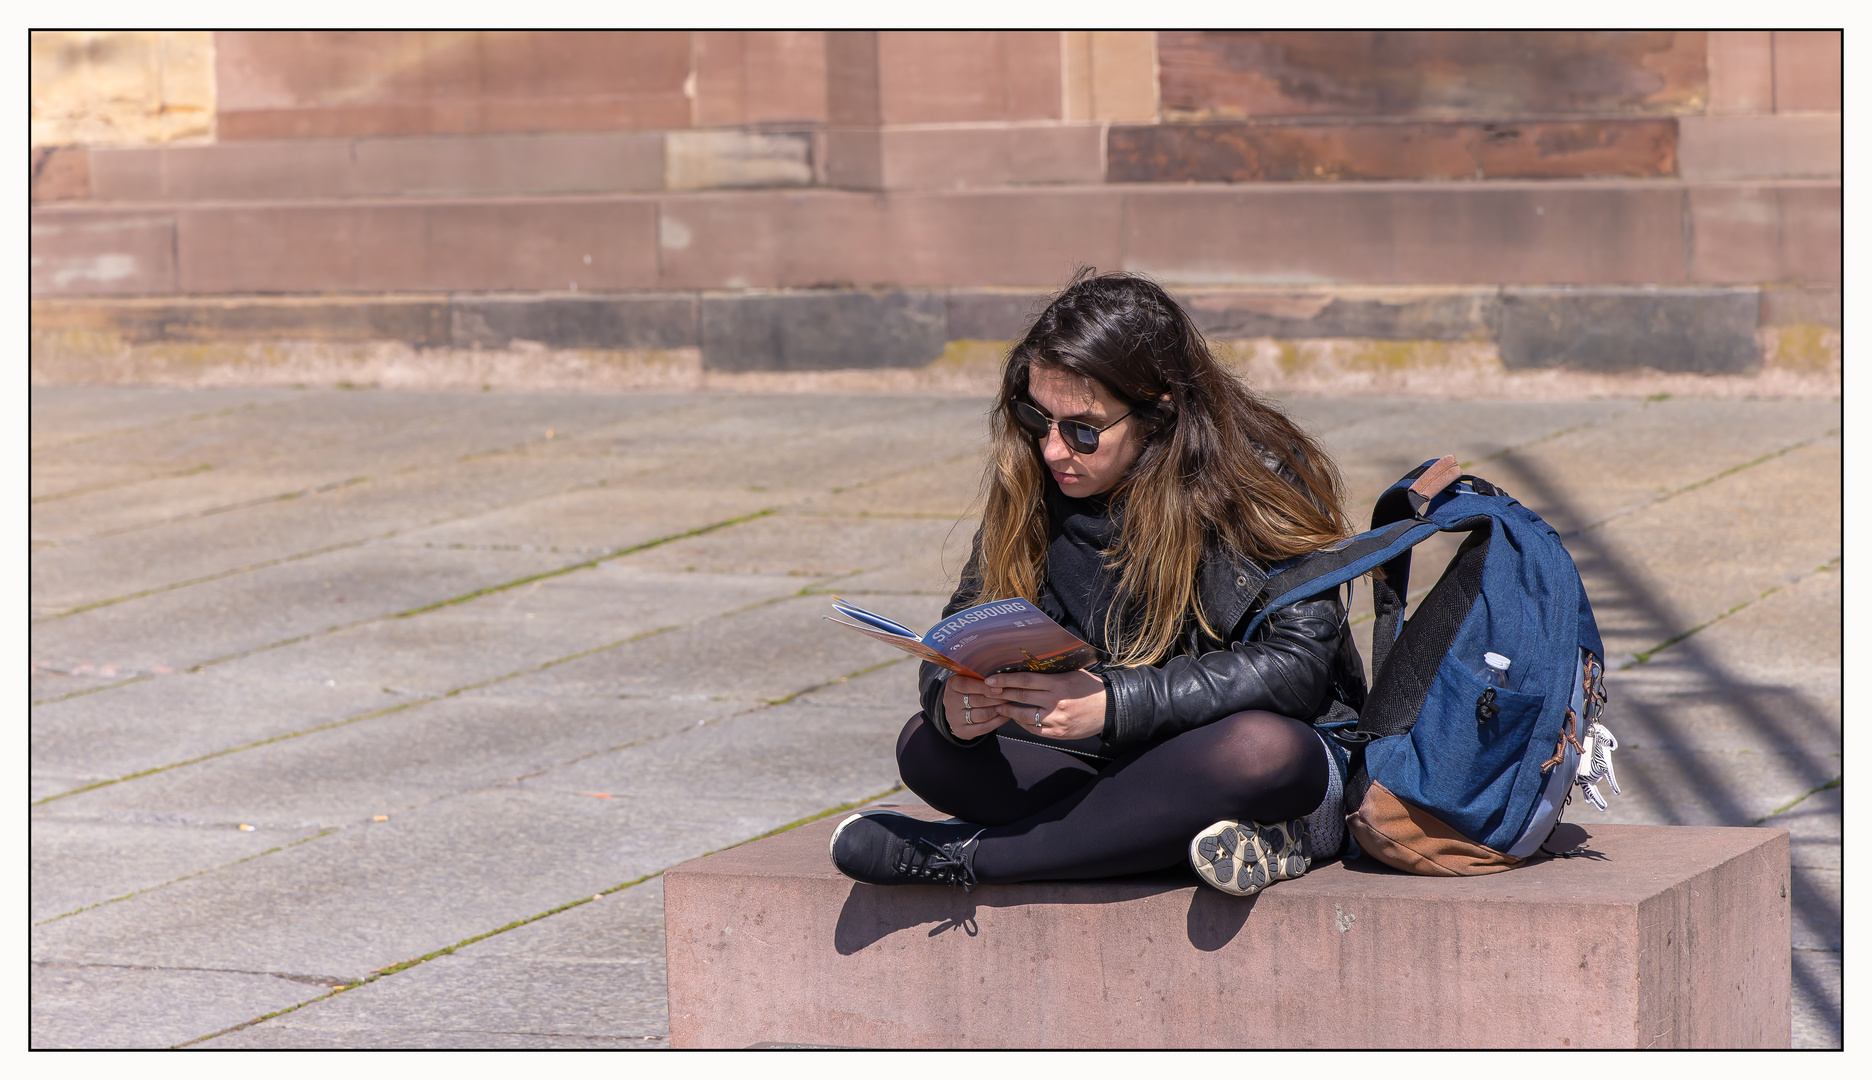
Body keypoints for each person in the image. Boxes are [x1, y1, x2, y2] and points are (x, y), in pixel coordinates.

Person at [829, 272, 1366, 896]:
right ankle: (1143, 837)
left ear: (1159, 411)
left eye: (1084, 428)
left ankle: (974, 859)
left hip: (1244, 753)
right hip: (1105, 757)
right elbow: (970, 614)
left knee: (1262, 751)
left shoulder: (1260, 477)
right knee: (927, 749)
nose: (1055, 449)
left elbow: (1297, 668)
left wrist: (1114, 703)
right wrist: (953, 700)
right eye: (1038, 417)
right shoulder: (1033, 474)